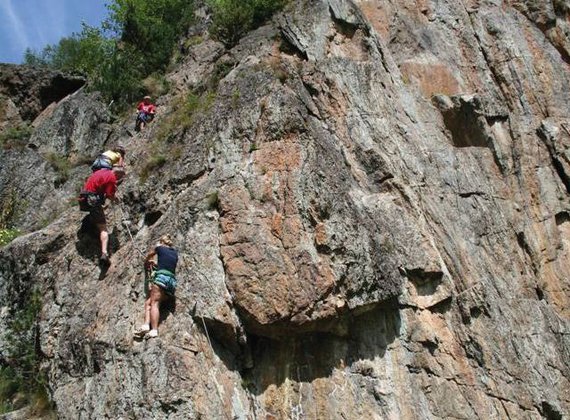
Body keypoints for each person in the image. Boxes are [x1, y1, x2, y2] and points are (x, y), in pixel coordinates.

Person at [78, 166, 125, 265]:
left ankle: (90, 223)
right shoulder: (112, 178)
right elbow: (110, 195)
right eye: (119, 177)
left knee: (94, 214)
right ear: (117, 174)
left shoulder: (102, 171)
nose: (117, 180)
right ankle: (104, 253)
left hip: (84, 198)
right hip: (93, 200)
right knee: (103, 229)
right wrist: (115, 199)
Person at [134, 235, 178, 339]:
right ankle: (146, 325)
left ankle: (154, 330)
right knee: (148, 303)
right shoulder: (175, 254)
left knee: (155, 303)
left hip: (161, 278)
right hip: (171, 282)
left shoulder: (159, 248)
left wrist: (147, 261)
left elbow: (150, 254)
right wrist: (156, 264)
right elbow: (167, 265)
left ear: (162, 242)